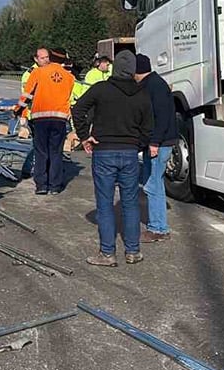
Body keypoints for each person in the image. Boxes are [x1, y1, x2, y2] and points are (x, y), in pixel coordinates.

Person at [72, 51, 153, 267]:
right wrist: (138, 144)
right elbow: (148, 127)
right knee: (130, 203)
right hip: (129, 152)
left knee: (105, 204)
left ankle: (107, 253)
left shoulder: (101, 89)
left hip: (104, 150)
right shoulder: (142, 94)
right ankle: (133, 251)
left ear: (115, 68)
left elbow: (78, 109)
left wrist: (84, 136)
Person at [17, 46, 75, 196]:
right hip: (60, 119)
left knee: (41, 152)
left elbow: (27, 95)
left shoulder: (38, 72)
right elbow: (68, 97)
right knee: (56, 152)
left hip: (40, 119)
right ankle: (55, 186)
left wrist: (18, 110)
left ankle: (41, 185)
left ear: (50, 57)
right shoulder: (69, 77)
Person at [135, 54, 179, 242]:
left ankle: (158, 228)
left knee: (152, 185)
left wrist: (154, 142)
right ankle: (159, 227)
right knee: (155, 183)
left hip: (159, 144)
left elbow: (160, 117)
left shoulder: (153, 86)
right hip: (160, 142)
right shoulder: (155, 83)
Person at [17, 48, 49, 179]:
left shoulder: (47, 71)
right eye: (43, 58)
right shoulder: (30, 74)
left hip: (45, 113)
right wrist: (23, 115)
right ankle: (30, 168)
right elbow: (26, 97)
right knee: (40, 144)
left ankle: (41, 168)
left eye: (47, 57)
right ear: (36, 59)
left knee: (42, 144)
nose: (46, 60)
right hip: (34, 114)